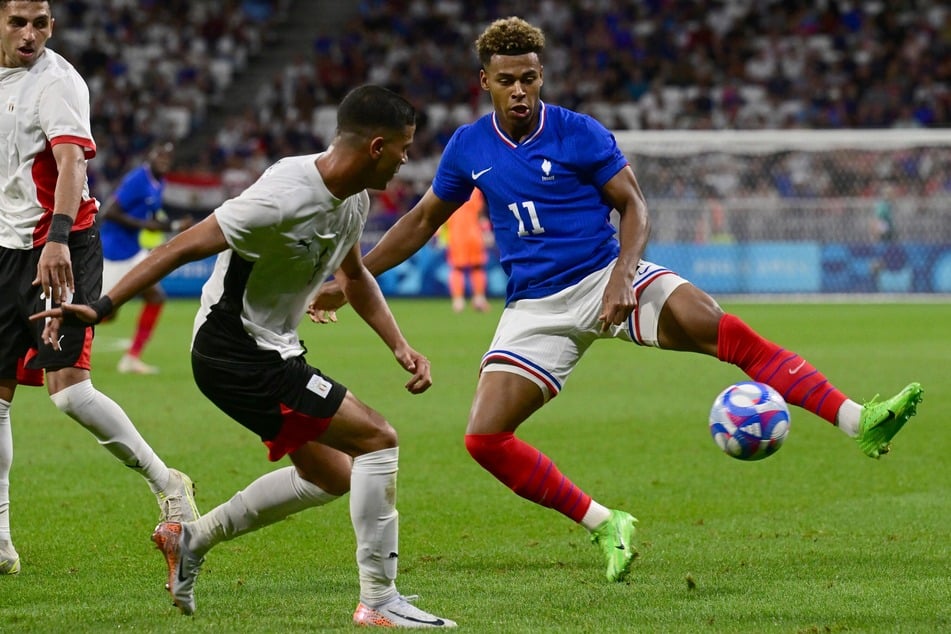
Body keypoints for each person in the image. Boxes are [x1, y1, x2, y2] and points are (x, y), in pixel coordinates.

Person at [309, 17, 924, 584]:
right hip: (536, 310)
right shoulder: (469, 148)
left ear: (540, 76)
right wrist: (346, 283)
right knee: (484, 438)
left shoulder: (579, 133)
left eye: (528, 78)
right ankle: (608, 524)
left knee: (719, 327)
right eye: (506, 81)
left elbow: (634, 205)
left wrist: (623, 276)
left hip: (609, 272)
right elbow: (420, 223)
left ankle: (858, 420)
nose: (519, 90)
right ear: (485, 83)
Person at [34, 85, 456, 627]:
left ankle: (192, 540)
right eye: (404, 147)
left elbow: (354, 276)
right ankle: (379, 600)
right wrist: (105, 304)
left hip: (271, 349)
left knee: (333, 476)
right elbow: (178, 246)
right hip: (234, 351)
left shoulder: (353, 200)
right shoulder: (282, 194)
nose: (406, 159)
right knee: (378, 439)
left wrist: (399, 345)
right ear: (377, 146)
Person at [0, 0, 198, 577]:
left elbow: (71, 167)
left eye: (41, 22)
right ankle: (2, 541)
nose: (31, 34)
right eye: (19, 22)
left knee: (67, 392)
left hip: (58, 244)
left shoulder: (59, 83)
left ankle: (168, 483)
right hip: (6, 248)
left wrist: (57, 239)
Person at [99, 141, 192, 374]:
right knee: (102, 314)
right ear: (149, 156)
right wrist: (144, 224)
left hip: (133, 252)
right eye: (160, 155)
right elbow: (109, 212)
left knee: (156, 296)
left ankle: (131, 358)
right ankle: (47, 344)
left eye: (168, 157)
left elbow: (150, 219)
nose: (164, 160)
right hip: (113, 253)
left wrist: (173, 224)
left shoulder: (159, 182)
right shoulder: (137, 179)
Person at [439, 188, 492, 312]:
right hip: (474, 233)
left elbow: (441, 212)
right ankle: (479, 299)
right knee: (477, 267)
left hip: (457, 235)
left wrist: (441, 234)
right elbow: (481, 213)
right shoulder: (476, 189)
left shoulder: (449, 186)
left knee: (457, 268)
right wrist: (486, 231)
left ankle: (458, 301)